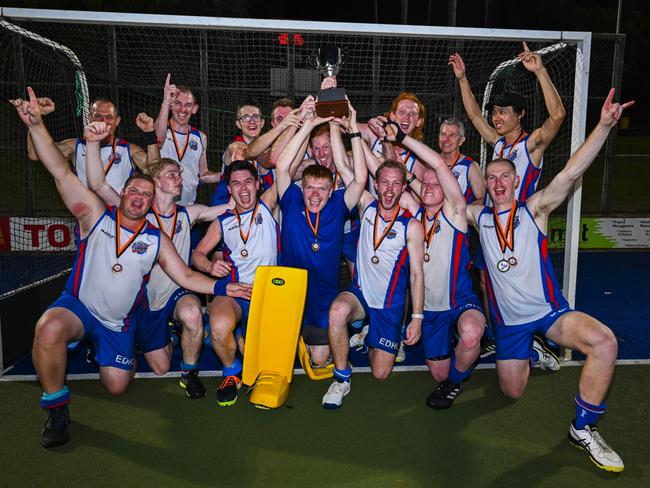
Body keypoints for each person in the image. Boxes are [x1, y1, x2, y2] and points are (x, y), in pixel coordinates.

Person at [11, 87, 222, 448]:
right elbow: (61, 172)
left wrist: (224, 287)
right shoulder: (95, 216)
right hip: (79, 306)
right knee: (47, 329)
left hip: (119, 320)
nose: (139, 198)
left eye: (145, 193)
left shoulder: (157, 237)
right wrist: (36, 125)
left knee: (118, 386)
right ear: (121, 194)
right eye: (133, 192)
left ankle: (107, 346)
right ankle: (56, 409)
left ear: (152, 197)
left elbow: (186, 275)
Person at [466, 89, 633, 472]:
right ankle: (530, 351)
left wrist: (604, 126)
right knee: (512, 391)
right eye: (491, 178)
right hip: (508, 326)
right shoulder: (479, 218)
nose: (498, 183)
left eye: (505, 177)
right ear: (486, 184)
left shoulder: (534, 210)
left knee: (604, 342)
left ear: (515, 179)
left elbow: (571, 172)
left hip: (550, 313)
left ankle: (583, 428)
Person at [84, 117, 232, 399]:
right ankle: (146, 339)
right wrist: (93, 145)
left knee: (192, 314)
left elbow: (233, 205)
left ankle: (189, 374)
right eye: (173, 174)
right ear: (156, 181)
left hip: (176, 293)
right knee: (160, 367)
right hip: (138, 301)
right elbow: (99, 186)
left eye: (179, 174)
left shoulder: (189, 213)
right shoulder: (137, 212)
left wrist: (241, 173)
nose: (180, 178)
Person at [379, 121, 486, 410]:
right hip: (429, 309)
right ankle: (455, 358)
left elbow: (438, 165)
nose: (429, 187)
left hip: (459, 300)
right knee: (438, 371)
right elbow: (395, 175)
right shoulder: (415, 214)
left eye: (436, 184)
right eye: (424, 184)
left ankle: (455, 382)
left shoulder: (454, 212)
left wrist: (402, 137)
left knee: (472, 333)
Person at [321, 159, 425, 409]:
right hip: (361, 294)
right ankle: (342, 378)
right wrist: (347, 127)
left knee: (380, 373)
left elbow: (417, 275)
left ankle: (370, 335)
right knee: (337, 311)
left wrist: (417, 317)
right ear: (375, 184)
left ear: (403, 189)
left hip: (389, 306)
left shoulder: (411, 226)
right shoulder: (365, 205)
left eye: (396, 184)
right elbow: (346, 171)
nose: (389, 189)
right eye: (385, 183)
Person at [276, 102, 366, 367]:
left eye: (321, 189)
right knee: (277, 355)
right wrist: (310, 125)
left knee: (318, 360)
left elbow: (360, 180)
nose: (315, 195)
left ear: (331, 191)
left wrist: (354, 133)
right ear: (301, 189)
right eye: (310, 188)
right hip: (290, 288)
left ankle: (311, 340)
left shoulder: (339, 205)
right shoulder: (291, 200)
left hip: (322, 293)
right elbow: (282, 167)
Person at [192, 160, 279, 406]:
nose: (243, 189)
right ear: (229, 189)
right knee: (219, 326)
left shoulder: (268, 206)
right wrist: (209, 265)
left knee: (263, 363)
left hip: (268, 293)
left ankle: (243, 339)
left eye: (248, 182)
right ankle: (231, 372)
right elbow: (197, 255)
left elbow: (284, 166)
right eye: (236, 183)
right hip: (235, 292)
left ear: (258, 184)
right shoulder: (222, 221)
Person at [448, 42, 566, 202]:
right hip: (493, 221)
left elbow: (557, 115)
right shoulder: (499, 143)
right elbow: (475, 116)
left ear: (520, 114)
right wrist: (462, 79)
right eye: (494, 112)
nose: (496, 118)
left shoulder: (531, 145)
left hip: (516, 224)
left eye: (502, 112)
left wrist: (540, 71)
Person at [26, 96, 151, 193]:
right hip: (89, 217)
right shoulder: (75, 146)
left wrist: (150, 134)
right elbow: (34, 154)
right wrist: (33, 119)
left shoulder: (128, 150)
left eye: (109, 117)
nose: (104, 122)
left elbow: (155, 170)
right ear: (90, 118)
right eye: (98, 117)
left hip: (119, 219)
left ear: (117, 121)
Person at [155, 74, 219, 205]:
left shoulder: (200, 137)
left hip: (188, 207)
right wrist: (165, 102)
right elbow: (157, 140)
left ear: (194, 109)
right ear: (171, 105)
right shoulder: (161, 128)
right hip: (160, 205)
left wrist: (227, 174)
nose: (183, 109)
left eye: (188, 105)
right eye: (177, 103)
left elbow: (204, 174)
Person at [437, 118, 485, 203]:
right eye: (443, 134)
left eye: (452, 135)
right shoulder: (430, 161)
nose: (446, 139)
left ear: (461, 140)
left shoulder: (470, 166)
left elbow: (482, 199)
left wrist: (462, 212)